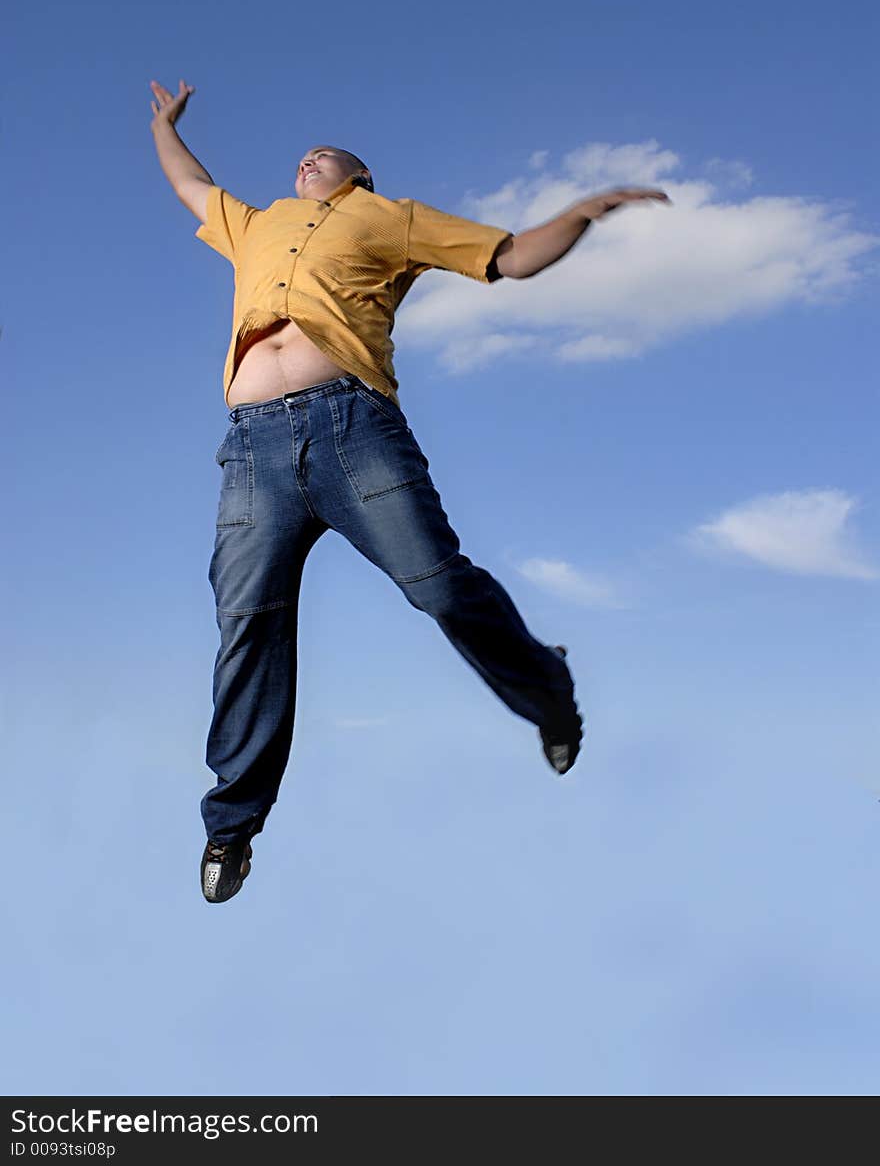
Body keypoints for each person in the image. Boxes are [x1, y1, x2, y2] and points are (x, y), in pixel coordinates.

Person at [149, 78, 671, 903]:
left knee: (438, 587)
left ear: (358, 174)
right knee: (245, 621)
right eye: (301, 152)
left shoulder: (391, 217)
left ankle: (550, 693)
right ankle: (230, 828)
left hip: (354, 431)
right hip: (252, 449)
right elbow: (188, 183)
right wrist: (164, 126)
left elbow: (507, 256)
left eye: (327, 151)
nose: (308, 154)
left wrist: (581, 212)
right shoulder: (257, 223)